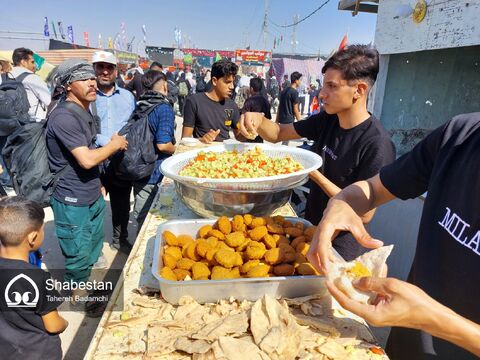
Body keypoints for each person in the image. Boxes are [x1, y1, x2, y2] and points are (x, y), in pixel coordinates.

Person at [308, 112, 480, 359]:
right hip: (404, 344)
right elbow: (374, 189)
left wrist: (433, 319)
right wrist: (342, 202)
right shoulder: (460, 135)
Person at [240, 45, 396, 261]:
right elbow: (278, 132)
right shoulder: (328, 119)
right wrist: (257, 119)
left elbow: (365, 212)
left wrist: (311, 171)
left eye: (332, 86)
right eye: (324, 85)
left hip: (340, 248)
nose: (322, 94)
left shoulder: (377, 143)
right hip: (312, 229)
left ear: (359, 90)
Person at [45, 59, 128, 305]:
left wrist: (98, 181)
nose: (93, 83)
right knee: (77, 250)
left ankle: (87, 274)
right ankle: (76, 291)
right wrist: (114, 145)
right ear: (68, 85)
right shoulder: (63, 117)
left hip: (91, 190)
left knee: (92, 240)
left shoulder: (84, 110)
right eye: (84, 79)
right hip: (71, 197)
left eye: (92, 78)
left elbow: (89, 146)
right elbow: (86, 159)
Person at [0, 196, 68, 360]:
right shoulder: (38, 278)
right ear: (32, 237)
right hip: (39, 352)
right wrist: (64, 323)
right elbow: (53, 325)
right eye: (42, 229)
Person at [92, 51, 136, 253]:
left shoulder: (128, 97)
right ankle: (94, 248)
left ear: (116, 70)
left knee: (121, 204)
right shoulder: (88, 97)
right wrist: (107, 142)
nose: (105, 71)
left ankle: (120, 239)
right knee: (93, 206)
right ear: (94, 69)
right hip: (94, 158)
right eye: (100, 66)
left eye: (109, 67)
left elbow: (133, 125)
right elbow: (84, 129)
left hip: (120, 159)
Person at [133, 71, 176, 229]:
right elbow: (163, 145)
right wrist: (177, 151)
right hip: (156, 174)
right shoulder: (164, 108)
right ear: (165, 86)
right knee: (157, 220)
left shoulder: (141, 104)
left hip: (139, 171)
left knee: (141, 219)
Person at [182, 59, 241, 143]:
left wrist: (249, 131)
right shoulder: (194, 101)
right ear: (214, 81)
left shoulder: (232, 105)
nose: (232, 86)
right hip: (202, 153)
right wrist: (201, 140)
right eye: (227, 82)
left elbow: (239, 136)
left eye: (233, 82)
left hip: (226, 154)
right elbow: (185, 139)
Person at [9, 48, 51, 121]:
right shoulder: (32, 78)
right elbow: (49, 101)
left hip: (6, 124)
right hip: (30, 125)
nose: (34, 65)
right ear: (23, 62)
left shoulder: (4, 76)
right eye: (32, 62)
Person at [240, 77, 271, 143]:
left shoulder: (249, 101)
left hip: (250, 135)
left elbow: (243, 117)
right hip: (260, 135)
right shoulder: (265, 101)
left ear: (251, 88)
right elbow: (268, 118)